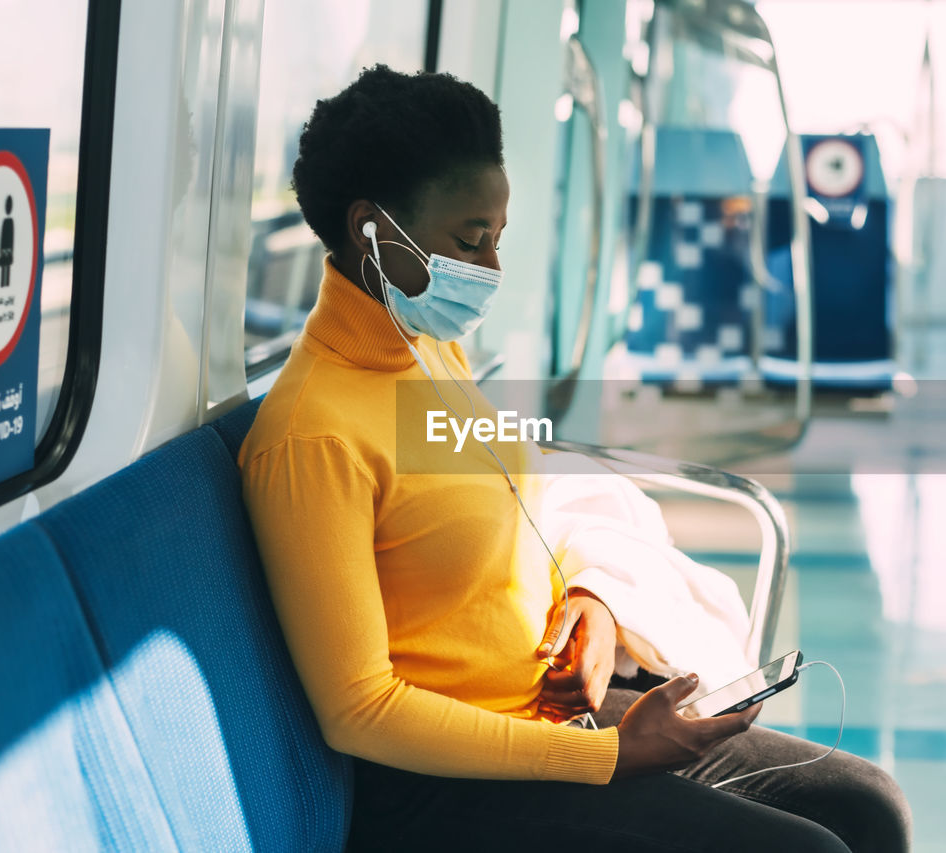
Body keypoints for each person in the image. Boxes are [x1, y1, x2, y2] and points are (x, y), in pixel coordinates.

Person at [239, 65, 911, 852]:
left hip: (545, 711)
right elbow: (360, 708)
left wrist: (594, 604)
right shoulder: (313, 434)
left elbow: (519, 515)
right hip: (445, 789)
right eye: (469, 240)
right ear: (372, 230)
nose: (490, 268)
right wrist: (606, 755)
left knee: (867, 804)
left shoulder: (430, 351)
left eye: (498, 236)